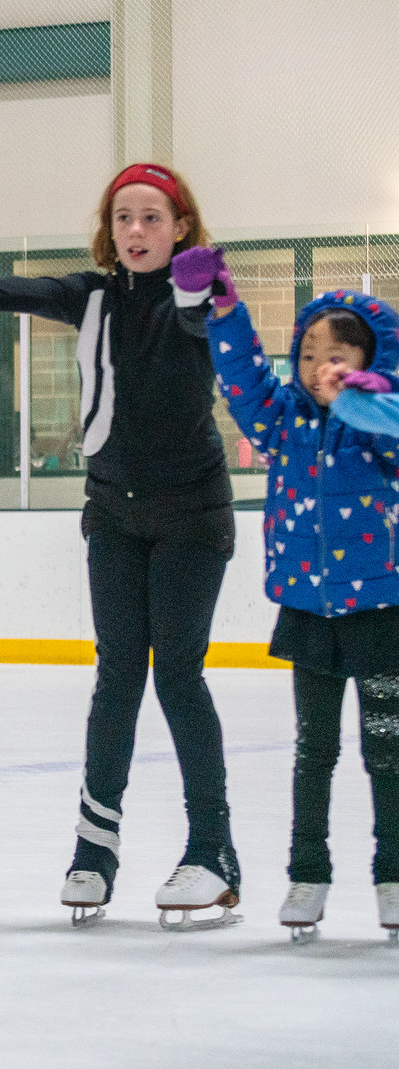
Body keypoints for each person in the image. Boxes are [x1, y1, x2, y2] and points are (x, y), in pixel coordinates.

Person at [0, 162, 240, 928]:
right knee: (118, 674)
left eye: (153, 217)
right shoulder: (92, 296)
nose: (136, 231)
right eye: (124, 217)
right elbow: (11, 292)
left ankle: (213, 852)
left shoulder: (199, 296)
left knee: (179, 676)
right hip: (114, 516)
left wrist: (208, 289)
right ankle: (94, 851)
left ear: (182, 225)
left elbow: (210, 330)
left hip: (192, 515)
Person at [196, 257, 399, 942]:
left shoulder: (380, 424)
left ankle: (394, 875)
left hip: (381, 611)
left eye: (336, 354)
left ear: (369, 358)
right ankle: (306, 874)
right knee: (313, 752)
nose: (320, 366)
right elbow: (245, 384)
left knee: (388, 751)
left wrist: (364, 394)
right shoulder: (286, 423)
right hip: (310, 611)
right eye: (309, 353)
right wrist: (226, 313)